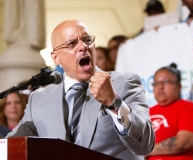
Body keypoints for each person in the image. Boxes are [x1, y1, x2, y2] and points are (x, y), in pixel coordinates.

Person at [6, 19, 155, 159]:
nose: (83, 46)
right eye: (71, 43)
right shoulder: (39, 99)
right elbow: (9, 148)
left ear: (94, 47)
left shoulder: (124, 82)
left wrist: (114, 102)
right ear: (56, 58)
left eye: (87, 40)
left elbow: (146, 145)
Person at [146, 63, 193, 160]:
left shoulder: (190, 109)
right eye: (156, 83)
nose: (160, 87)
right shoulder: (146, 113)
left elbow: (183, 143)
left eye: (166, 82)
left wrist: (145, 150)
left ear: (179, 86)